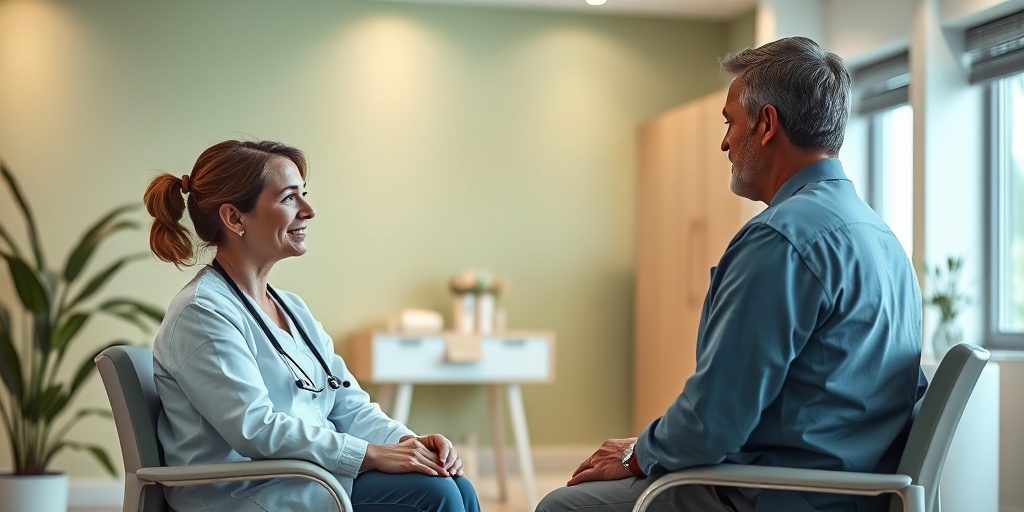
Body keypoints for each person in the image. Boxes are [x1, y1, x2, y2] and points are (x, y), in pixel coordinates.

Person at [536, 36, 925, 512]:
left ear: (767, 124)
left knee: (563, 505)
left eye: (730, 122)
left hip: (775, 495)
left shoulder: (781, 239)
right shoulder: (881, 237)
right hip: (852, 492)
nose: (724, 142)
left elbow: (712, 425)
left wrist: (637, 453)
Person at [143, 140, 480, 512]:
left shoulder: (292, 308)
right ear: (235, 218)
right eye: (289, 198)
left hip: (301, 477)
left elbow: (347, 404)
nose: (309, 210)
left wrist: (408, 444)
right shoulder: (202, 312)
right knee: (435, 495)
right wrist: (369, 454)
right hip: (242, 494)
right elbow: (256, 428)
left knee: (454, 484)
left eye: (304, 195)